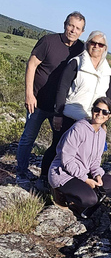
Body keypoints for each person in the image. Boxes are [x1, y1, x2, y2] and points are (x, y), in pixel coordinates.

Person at [37, 30, 111, 192]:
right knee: (58, 147)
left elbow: (107, 98)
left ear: (105, 48)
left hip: (91, 120)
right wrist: (58, 114)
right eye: (93, 42)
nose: (96, 46)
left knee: (82, 155)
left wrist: (105, 121)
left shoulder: (107, 72)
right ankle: (45, 178)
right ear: (87, 44)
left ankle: (75, 183)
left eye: (100, 44)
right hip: (69, 116)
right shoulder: (76, 63)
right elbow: (62, 89)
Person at [16, 11, 85, 185]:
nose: (73, 30)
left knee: (60, 143)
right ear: (64, 24)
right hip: (37, 102)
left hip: (60, 108)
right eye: (71, 25)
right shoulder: (48, 41)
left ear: (82, 32)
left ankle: (50, 177)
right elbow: (31, 65)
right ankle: (21, 172)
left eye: (77, 28)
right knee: (28, 138)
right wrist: (29, 94)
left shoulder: (81, 49)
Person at [48, 97, 111, 218]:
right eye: (97, 110)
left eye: (104, 112)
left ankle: (85, 194)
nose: (100, 114)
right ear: (92, 111)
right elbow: (67, 160)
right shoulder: (79, 128)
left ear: (108, 116)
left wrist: (97, 175)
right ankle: (61, 194)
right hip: (64, 173)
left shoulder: (101, 133)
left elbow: (96, 161)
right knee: (91, 200)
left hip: (83, 172)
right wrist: (86, 180)